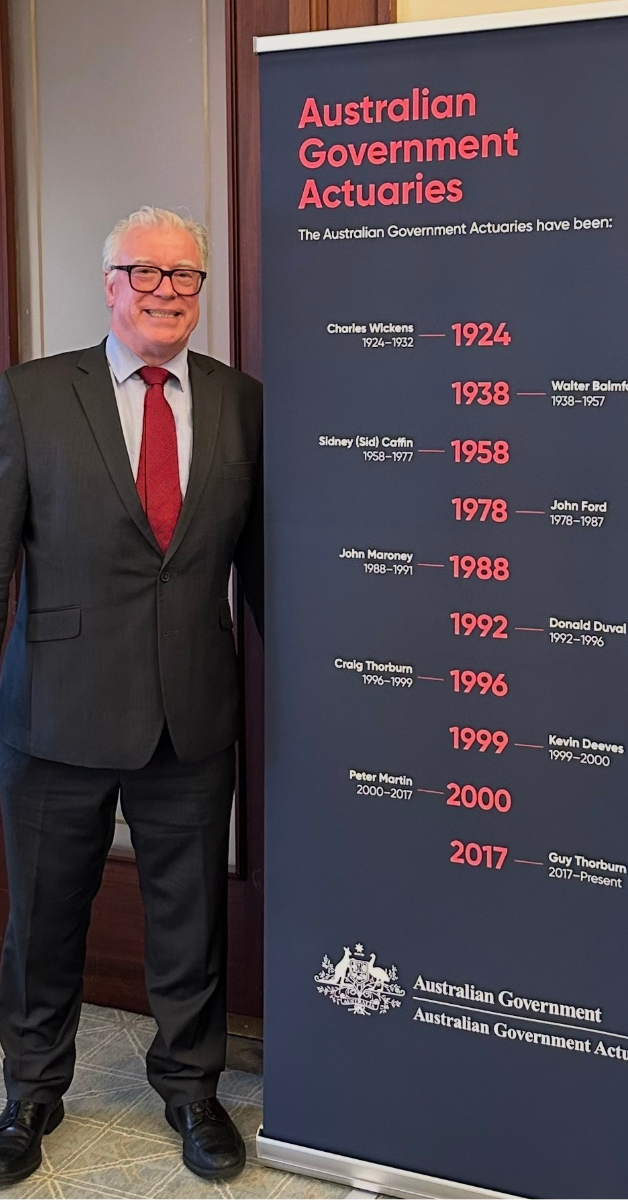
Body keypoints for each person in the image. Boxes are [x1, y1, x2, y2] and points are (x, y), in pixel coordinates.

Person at [0, 206, 263, 1186]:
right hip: (54, 714)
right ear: (107, 283)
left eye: (185, 276)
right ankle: (30, 1090)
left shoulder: (242, 404)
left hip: (190, 714)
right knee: (45, 918)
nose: (164, 291)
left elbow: (263, 570)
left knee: (187, 916)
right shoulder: (29, 396)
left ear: (201, 291)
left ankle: (192, 1091)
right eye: (143, 273)